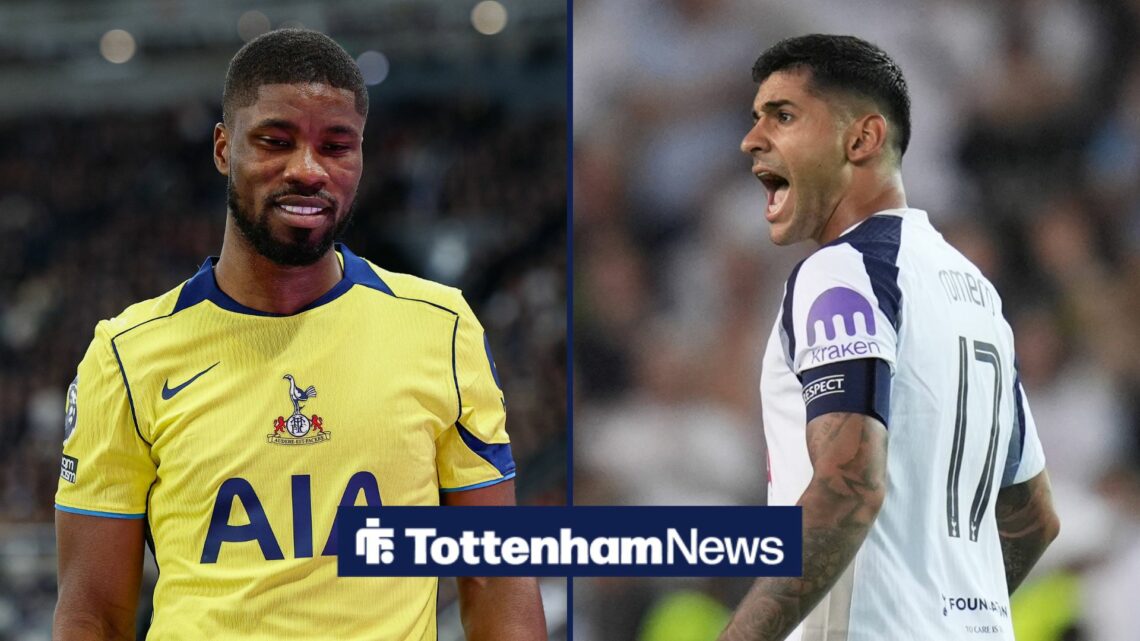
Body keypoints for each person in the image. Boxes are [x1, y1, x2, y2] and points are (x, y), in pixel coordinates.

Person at [52, 29, 546, 641]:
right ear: (222, 147)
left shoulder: (441, 328)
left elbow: (496, 579)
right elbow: (93, 612)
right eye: (276, 141)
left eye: (336, 146)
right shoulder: (126, 354)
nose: (308, 170)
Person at [720, 34, 1060, 641]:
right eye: (756, 118)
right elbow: (1033, 519)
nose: (752, 139)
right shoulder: (975, 292)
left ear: (862, 139)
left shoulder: (841, 271)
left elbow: (849, 486)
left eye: (784, 115)